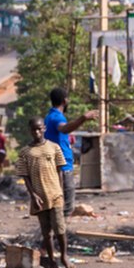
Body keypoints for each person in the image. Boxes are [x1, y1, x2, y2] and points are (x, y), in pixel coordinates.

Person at [16, 117, 71, 268]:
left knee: (60, 228)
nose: (37, 132)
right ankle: (53, 263)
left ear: (44, 128)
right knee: (46, 232)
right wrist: (33, 195)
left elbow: (60, 169)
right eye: (34, 129)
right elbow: (24, 176)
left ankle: (64, 256)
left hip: (55, 195)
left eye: (39, 129)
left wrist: (60, 190)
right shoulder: (26, 152)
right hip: (39, 197)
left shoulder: (54, 148)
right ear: (30, 131)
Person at [44, 88, 98, 216]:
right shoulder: (56, 117)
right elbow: (64, 128)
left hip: (56, 163)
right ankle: (62, 232)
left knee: (57, 203)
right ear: (65, 101)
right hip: (62, 166)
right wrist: (83, 118)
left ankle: (57, 231)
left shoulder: (49, 116)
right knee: (66, 206)